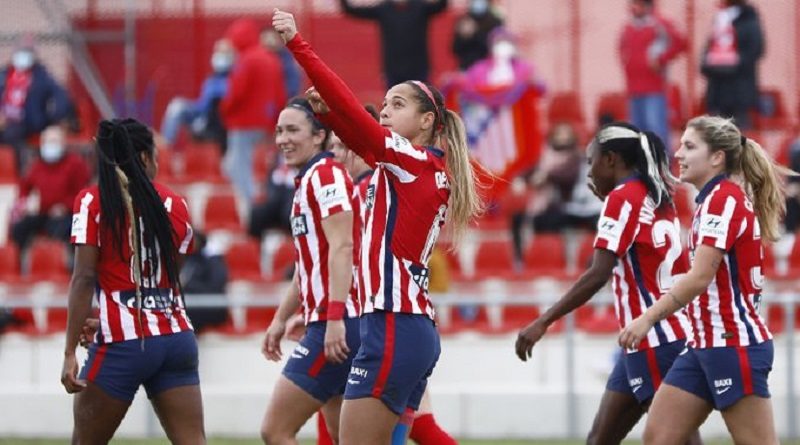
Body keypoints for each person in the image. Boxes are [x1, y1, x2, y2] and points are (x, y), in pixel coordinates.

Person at [273, 8, 483, 444]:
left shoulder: (408, 161)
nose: (385, 111)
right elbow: (356, 134)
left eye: (397, 104)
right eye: (384, 104)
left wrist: (297, 42)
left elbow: (352, 111)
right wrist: (329, 118)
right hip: (409, 327)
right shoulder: (422, 166)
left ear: (428, 121)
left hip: (393, 325)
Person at [515, 122, 702, 445]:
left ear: (612, 160)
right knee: (600, 439)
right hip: (654, 336)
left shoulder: (622, 199)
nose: (589, 170)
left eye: (592, 161)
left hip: (655, 340)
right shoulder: (657, 197)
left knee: (674, 439)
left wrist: (543, 321)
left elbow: (598, 273)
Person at [619, 115, 787, 444]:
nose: (678, 154)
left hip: (732, 344)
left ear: (716, 157)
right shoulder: (712, 200)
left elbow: (699, 278)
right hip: (703, 344)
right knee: (658, 437)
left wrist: (647, 319)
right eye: (680, 144)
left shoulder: (722, 200)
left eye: (689, 146)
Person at [60, 118, 204, 443]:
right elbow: (167, 277)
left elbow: (83, 278)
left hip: (123, 343)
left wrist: (70, 351)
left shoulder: (91, 202)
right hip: (176, 337)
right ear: (143, 158)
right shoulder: (176, 204)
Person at [259, 98, 360, 445]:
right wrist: (280, 317)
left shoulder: (326, 176)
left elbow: (343, 247)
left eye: (292, 130)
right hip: (331, 321)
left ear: (319, 136)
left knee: (275, 430)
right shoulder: (308, 180)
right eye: (278, 131)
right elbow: (308, 266)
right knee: (340, 436)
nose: (282, 139)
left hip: (338, 324)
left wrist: (333, 319)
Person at [220, 18, 287, 205]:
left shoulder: (246, 60)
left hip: (242, 123)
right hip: (265, 123)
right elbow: (280, 94)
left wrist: (224, 110)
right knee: (251, 166)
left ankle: (251, 206)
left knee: (239, 167)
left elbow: (236, 93)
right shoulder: (272, 59)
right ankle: (261, 200)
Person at [11, 125, 91, 253]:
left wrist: (65, 206)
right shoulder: (37, 165)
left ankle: (64, 265)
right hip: (42, 213)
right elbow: (24, 187)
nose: (50, 145)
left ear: (63, 143)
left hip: (67, 214)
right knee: (19, 228)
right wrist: (25, 203)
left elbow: (83, 193)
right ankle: (19, 265)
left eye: (54, 141)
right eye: (47, 142)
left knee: (61, 229)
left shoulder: (76, 164)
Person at [619, 0, 686, 149]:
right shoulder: (629, 28)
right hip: (633, 88)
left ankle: (661, 164)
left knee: (656, 128)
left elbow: (680, 43)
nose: (633, 8)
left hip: (653, 88)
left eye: (637, 4)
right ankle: (641, 166)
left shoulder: (659, 24)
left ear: (647, 6)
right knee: (637, 131)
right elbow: (622, 48)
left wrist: (661, 59)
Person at [0, 36, 72, 171]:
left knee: (13, 134)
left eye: (27, 52)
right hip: (4, 120)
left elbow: (61, 95)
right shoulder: (5, 74)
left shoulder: (41, 75)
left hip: (27, 122)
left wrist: (54, 118)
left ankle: (19, 173)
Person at [339, 0, 448, 88]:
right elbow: (351, 10)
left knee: (421, 103)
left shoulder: (421, 7)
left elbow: (441, 6)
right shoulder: (384, 9)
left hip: (419, 67)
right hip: (393, 69)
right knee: (395, 103)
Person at [160, 38, 234, 152]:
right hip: (201, 116)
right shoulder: (211, 80)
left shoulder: (234, 78)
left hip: (215, 122)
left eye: (224, 53)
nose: (219, 56)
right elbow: (201, 105)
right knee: (176, 106)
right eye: (218, 52)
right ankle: (165, 146)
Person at [701, 0, 764, 130]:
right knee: (718, 135)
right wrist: (707, 63)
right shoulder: (719, 19)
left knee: (739, 135)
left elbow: (756, 49)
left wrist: (733, 63)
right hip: (718, 89)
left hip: (739, 90)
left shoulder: (749, 20)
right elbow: (710, 47)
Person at [451, 0, 504, 71]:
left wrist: (476, 33)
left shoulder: (495, 22)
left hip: (487, 68)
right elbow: (455, 49)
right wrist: (465, 36)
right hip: (466, 67)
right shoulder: (463, 20)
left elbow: (494, 48)